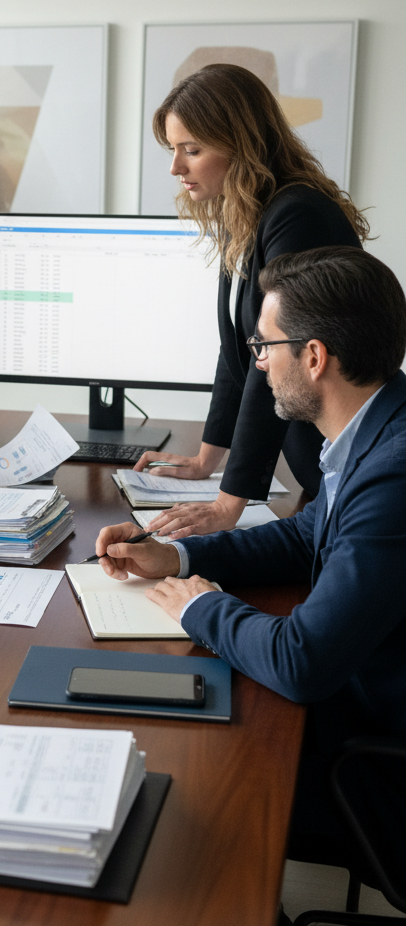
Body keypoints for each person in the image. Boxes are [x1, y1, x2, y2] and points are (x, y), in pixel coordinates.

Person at [95, 246, 406, 874]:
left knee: (183, 784)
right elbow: (302, 538)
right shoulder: (376, 428)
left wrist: (203, 607)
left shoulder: (394, 472)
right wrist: (175, 556)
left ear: (313, 357)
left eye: (264, 345)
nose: (256, 361)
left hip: (380, 769)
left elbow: (304, 662)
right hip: (361, 713)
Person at [134, 63, 370, 539]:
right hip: (313, 463)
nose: (176, 167)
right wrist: (207, 458)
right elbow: (239, 349)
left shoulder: (296, 215)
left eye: (191, 150)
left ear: (239, 146)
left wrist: (229, 501)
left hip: (350, 462)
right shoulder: (249, 214)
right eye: (173, 150)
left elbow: (275, 354)